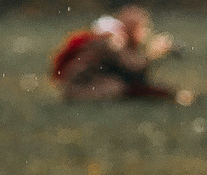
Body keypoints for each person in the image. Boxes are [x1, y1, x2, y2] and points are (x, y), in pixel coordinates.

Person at [51, 6, 193, 103]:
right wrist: (152, 55)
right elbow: (132, 69)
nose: (146, 33)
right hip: (81, 91)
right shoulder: (114, 43)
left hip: (80, 89)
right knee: (120, 88)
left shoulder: (116, 41)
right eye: (144, 28)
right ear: (133, 29)